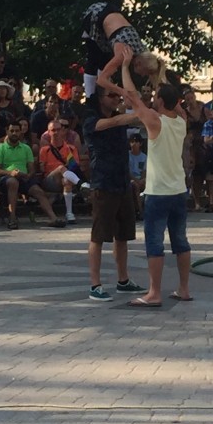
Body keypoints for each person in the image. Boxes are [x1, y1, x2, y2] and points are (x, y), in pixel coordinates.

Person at [120, 47, 190, 306]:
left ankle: (154, 293)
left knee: (154, 243)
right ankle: (184, 289)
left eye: (156, 96)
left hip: (158, 192)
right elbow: (176, 100)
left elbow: (132, 97)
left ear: (160, 101)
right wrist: (158, 75)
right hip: (179, 191)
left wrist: (126, 66)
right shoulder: (181, 121)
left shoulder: (154, 121)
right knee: (180, 240)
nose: (152, 98)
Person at [82, 86, 145, 301]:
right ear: (100, 99)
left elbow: (135, 121)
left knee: (123, 235)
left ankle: (123, 280)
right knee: (99, 236)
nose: (117, 98)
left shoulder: (120, 117)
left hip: (122, 182)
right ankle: (95, 285)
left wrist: (138, 105)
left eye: (118, 95)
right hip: (103, 183)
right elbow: (116, 122)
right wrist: (133, 111)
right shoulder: (92, 120)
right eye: (112, 95)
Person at [82, 0, 168, 97]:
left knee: (105, 62)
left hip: (108, 10)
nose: (143, 76)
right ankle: (91, 98)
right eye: (145, 73)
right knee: (94, 60)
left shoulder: (141, 50)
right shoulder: (123, 53)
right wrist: (122, 92)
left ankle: (100, 97)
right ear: (139, 64)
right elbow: (101, 80)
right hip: (95, 15)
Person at [0, 122, 65, 230]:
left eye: (17, 131)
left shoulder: (26, 148)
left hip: (23, 177)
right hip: (6, 179)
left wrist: (27, 175)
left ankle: (53, 218)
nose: (14, 133)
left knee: (38, 191)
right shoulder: (0, 149)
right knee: (13, 182)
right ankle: (12, 218)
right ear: (7, 132)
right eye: (11, 131)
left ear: (21, 132)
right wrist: (10, 173)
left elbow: (31, 169)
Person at [128, 134, 147, 218]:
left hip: (141, 179)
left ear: (141, 144)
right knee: (134, 186)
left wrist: (141, 180)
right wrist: (136, 180)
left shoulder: (144, 157)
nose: (134, 144)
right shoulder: (127, 156)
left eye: (136, 142)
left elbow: (144, 171)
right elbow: (127, 172)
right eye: (132, 142)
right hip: (131, 179)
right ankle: (140, 211)